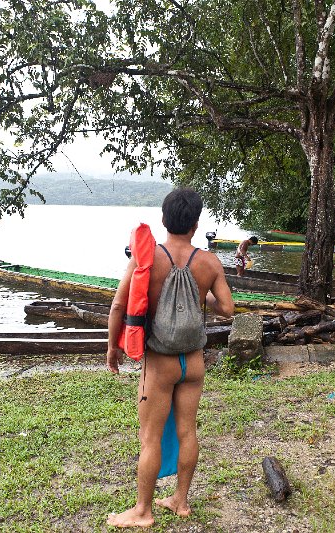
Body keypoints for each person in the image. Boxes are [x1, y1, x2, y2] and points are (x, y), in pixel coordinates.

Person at [106, 188, 234, 528]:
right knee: (187, 431)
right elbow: (227, 308)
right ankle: (180, 500)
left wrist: (112, 347)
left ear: (164, 220)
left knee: (150, 437)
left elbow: (119, 305)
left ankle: (143, 511)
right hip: (192, 362)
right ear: (195, 224)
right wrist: (199, 294)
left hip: (159, 365)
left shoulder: (148, 259)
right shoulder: (209, 262)